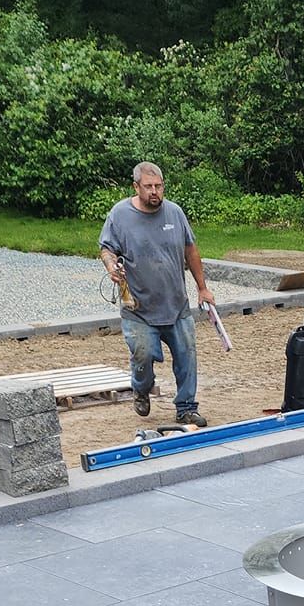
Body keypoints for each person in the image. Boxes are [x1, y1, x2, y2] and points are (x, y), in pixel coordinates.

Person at [98, 162, 215, 424]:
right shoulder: (120, 215)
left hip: (176, 305)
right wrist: (111, 265)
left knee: (187, 355)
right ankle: (141, 388)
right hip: (138, 308)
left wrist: (203, 288)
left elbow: (191, 250)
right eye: (148, 187)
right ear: (136, 187)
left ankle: (186, 407)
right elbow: (107, 249)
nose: (154, 192)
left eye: (158, 186)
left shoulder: (174, 213)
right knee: (143, 355)